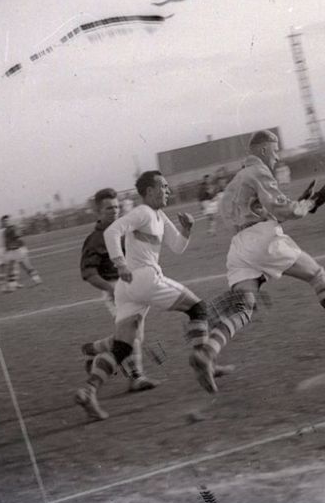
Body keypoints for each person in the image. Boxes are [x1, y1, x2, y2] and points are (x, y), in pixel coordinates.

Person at [188, 130, 325, 395]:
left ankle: (207, 353)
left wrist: (304, 203)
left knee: (244, 308)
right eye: (275, 151)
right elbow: (280, 211)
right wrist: (308, 204)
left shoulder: (236, 182)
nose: (277, 157)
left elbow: (264, 214)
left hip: (239, 249)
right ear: (264, 150)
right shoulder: (259, 172)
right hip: (261, 241)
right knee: (318, 275)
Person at [74, 171, 219, 420]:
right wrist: (120, 263)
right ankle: (201, 357)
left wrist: (187, 229)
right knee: (198, 308)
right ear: (150, 191)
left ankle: (88, 391)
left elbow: (177, 247)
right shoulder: (142, 212)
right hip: (144, 278)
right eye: (163, 187)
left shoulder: (159, 216)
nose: (168, 191)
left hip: (127, 288)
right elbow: (111, 233)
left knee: (122, 347)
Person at [78, 188, 159, 392]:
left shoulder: (125, 230)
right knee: (131, 333)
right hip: (115, 288)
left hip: (134, 285)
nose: (113, 211)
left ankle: (95, 349)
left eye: (116, 207)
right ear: (98, 211)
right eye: (108, 208)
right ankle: (136, 378)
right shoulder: (95, 239)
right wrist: (110, 289)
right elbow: (88, 272)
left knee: (136, 337)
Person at [3, 215, 42, 289]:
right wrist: (7, 249)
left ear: (10, 221)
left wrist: (16, 233)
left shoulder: (13, 228)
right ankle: (13, 285)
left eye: (7, 221)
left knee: (26, 266)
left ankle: (37, 279)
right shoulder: (5, 231)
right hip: (12, 251)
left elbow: (18, 236)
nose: (6, 222)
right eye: (4, 221)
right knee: (11, 268)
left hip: (18, 249)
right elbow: (7, 242)